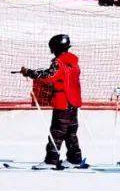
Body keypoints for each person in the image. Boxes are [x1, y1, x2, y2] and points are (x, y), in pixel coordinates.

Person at [20, 34, 86, 169]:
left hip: (62, 103)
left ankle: (51, 161)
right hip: (73, 102)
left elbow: (49, 76)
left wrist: (31, 73)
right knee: (70, 132)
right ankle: (74, 158)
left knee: (57, 132)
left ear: (55, 48)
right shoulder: (73, 63)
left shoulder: (59, 62)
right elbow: (57, 74)